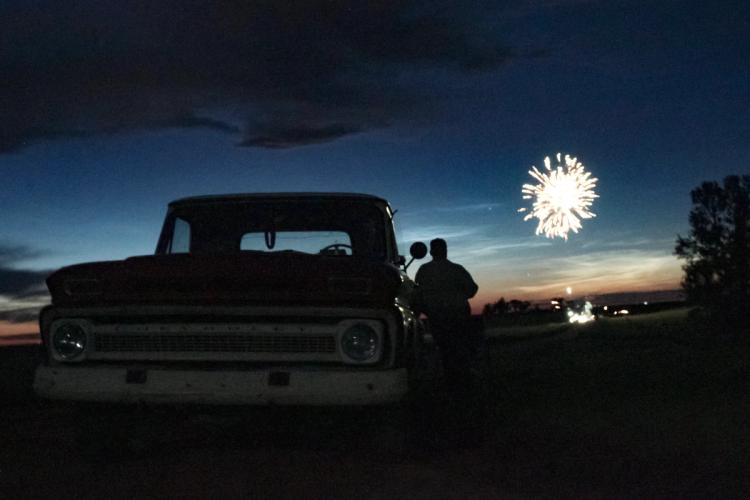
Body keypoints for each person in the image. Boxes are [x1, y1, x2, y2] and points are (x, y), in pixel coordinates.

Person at [414, 238, 479, 391]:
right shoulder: (457, 269)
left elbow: (418, 295)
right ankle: (462, 382)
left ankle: (452, 382)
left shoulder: (424, 271)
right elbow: (472, 289)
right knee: (458, 350)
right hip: (459, 316)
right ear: (445, 251)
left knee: (445, 350)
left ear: (431, 252)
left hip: (438, 318)